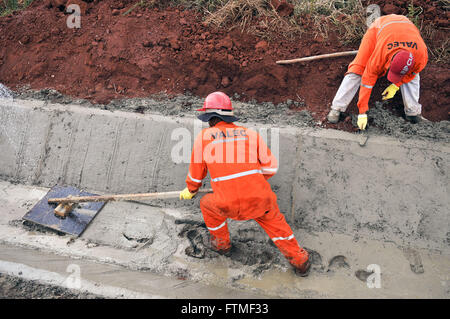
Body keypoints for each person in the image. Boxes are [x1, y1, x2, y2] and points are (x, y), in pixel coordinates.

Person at [179, 91, 311, 276]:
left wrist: (190, 190)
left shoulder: (204, 138)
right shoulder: (250, 134)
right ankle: (300, 261)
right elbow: (270, 167)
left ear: (210, 118)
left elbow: (196, 175)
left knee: (207, 205)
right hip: (260, 199)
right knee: (277, 225)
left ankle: (222, 246)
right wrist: (250, 181)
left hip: (228, 204)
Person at [327, 14, 428, 129]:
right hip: (379, 28)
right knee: (358, 68)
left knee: (414, 77)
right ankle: (337, 108)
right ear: (388, 62)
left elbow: (413, 73)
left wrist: (396, 85)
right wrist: (362, 112)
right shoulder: (380, 56)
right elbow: (367, 81)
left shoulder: (422, 56)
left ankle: (412, 112)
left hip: (405, 25)